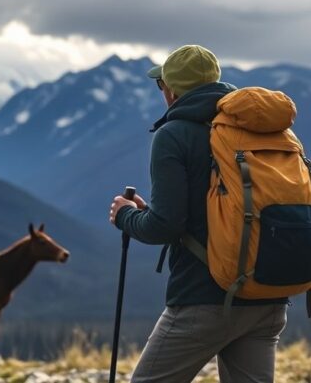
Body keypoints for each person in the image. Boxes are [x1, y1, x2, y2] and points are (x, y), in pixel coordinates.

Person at [109, 44, 287, 383]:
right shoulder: (255, 129)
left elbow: (164, 226)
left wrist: (125, 217)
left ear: (172, 90)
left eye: (160, 85)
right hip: (267, 295)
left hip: (205, 295)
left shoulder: (173, 134)